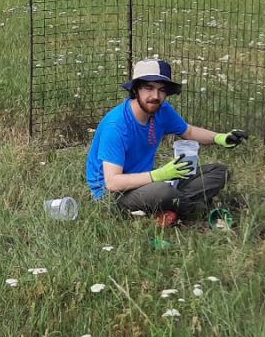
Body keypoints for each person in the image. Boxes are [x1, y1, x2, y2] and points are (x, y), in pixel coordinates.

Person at [85, 58, 248, 224]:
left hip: (147, 183)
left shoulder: (162, 111)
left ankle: (169, 208)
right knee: (164, 191)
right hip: (114, 195)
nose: (155, 96)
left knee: (219, 171)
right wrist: (159, 175)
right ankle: (195, 210)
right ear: (135, 89)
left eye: (161, 90)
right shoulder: (116, 126)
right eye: (149, 88)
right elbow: (112, 182)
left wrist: (220, 138)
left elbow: (189, 131)